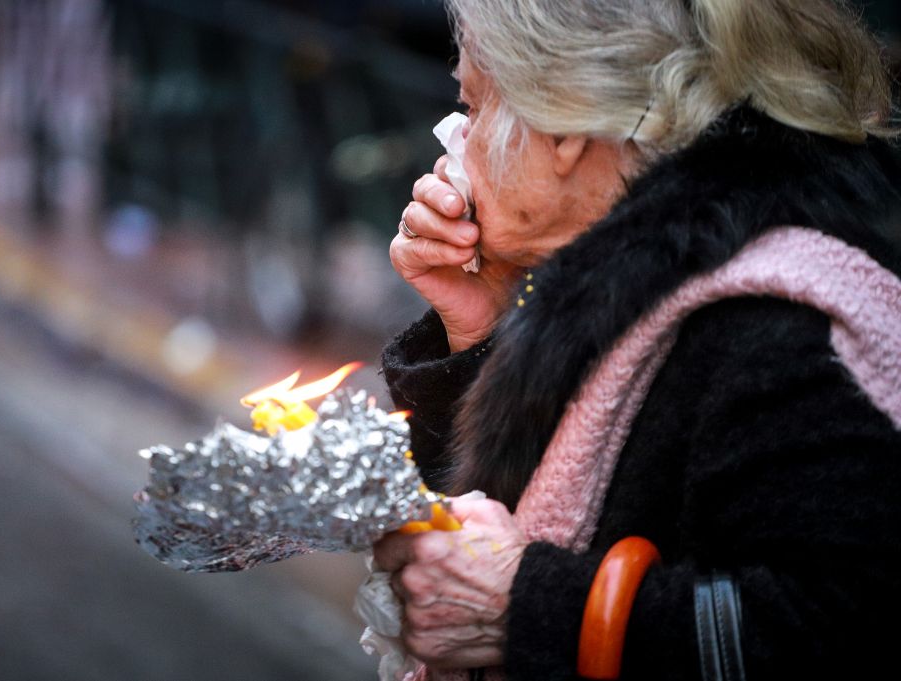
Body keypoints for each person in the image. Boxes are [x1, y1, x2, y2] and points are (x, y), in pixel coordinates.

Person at [372, 1, 901, 679]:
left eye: (473, 108)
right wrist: (479, 327)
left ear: (561, 125)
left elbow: (838, 628)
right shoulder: (632, 276)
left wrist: (527, 607)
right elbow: (509, 514)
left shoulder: (780, 325)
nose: (457, 141)